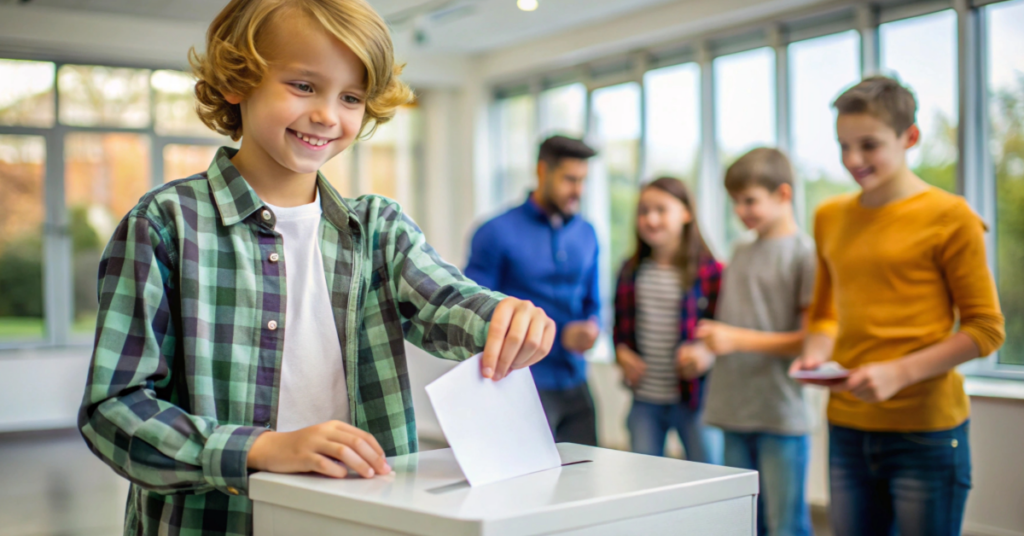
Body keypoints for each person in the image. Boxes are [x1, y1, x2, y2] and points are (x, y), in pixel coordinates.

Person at [77, 1, 556, 534]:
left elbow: (449, 302)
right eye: (304, 86)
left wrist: (504, 318)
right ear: (238, 81)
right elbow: (113, 412)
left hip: (360, 521)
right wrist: (259, 449)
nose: (328, 115)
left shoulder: (378, 230)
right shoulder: (166, 225)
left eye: (350, 97)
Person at [792, 76, 1005, 536]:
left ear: (910, 137)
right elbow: (825, 314)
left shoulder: (952, 217)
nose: (853, 160)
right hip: (847, 426)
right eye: (843, 146)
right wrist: (815, 354)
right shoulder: (829, 216)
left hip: (925, 432)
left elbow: (986, 329)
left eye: (869, 145)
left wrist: (898, 373)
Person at [697, 148, 815, 536]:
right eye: (735, 202)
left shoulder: (805, 254)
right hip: (733, 407)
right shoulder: (740, 250)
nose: (740, 211)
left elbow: (808, 341)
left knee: (786, 525)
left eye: (749, 200)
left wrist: (735, 339)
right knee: (743, 523)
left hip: (779, 411)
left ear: (783, 194)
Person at [465, 135, 602, 446]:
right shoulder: (494, 233)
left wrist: (593, 327)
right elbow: (475, 311)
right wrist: (559, 334)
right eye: (570, 179)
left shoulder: (587, 234)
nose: (578, 190)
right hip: (521, 383)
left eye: (583, 181)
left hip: (577, 382)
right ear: (542, 171)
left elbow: (593, 301)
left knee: (587, 470)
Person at [613, 177, 723, 464]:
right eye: (644, 211)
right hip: (645, 399)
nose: (651, 219)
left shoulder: (711, 272)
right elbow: (619, 330)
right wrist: (621, 353)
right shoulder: (630, 271)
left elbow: (724, 331)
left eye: (661, 210)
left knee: (709, 474)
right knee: (645, 476)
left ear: (686, 213)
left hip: (696, 400)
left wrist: (706, 353)